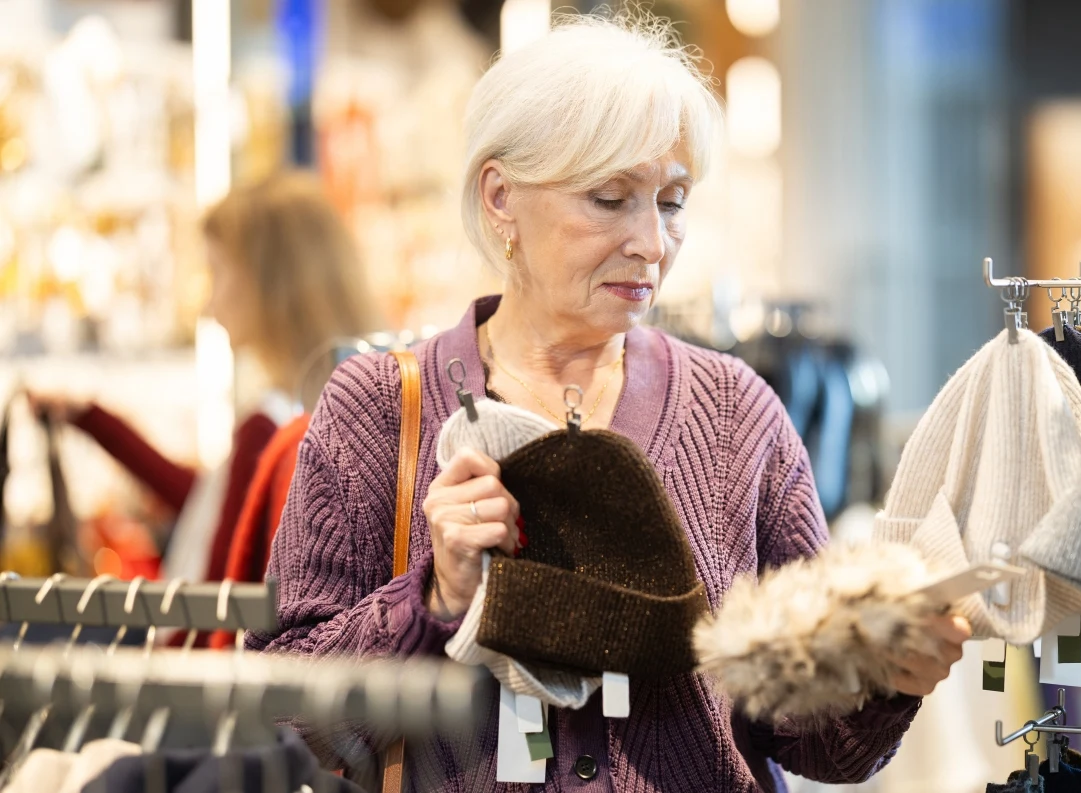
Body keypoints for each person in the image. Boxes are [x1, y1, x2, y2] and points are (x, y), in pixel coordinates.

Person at [249, 11, 969, 791]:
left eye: (671, 200)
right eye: (610, 197)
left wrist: (893, 671)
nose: (653, 243)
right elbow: (285, 713)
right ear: (500, 197)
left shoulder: (736, 414)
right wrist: (436, 595)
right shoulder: (382, 408)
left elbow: (821, 742)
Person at [28, 172, 381, 587]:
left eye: (218, 273)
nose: (209, 303)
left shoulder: (269, 430)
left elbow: (216, 603)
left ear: (270, 284)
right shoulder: (353, 412)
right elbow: (212, 509)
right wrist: (92, 419)